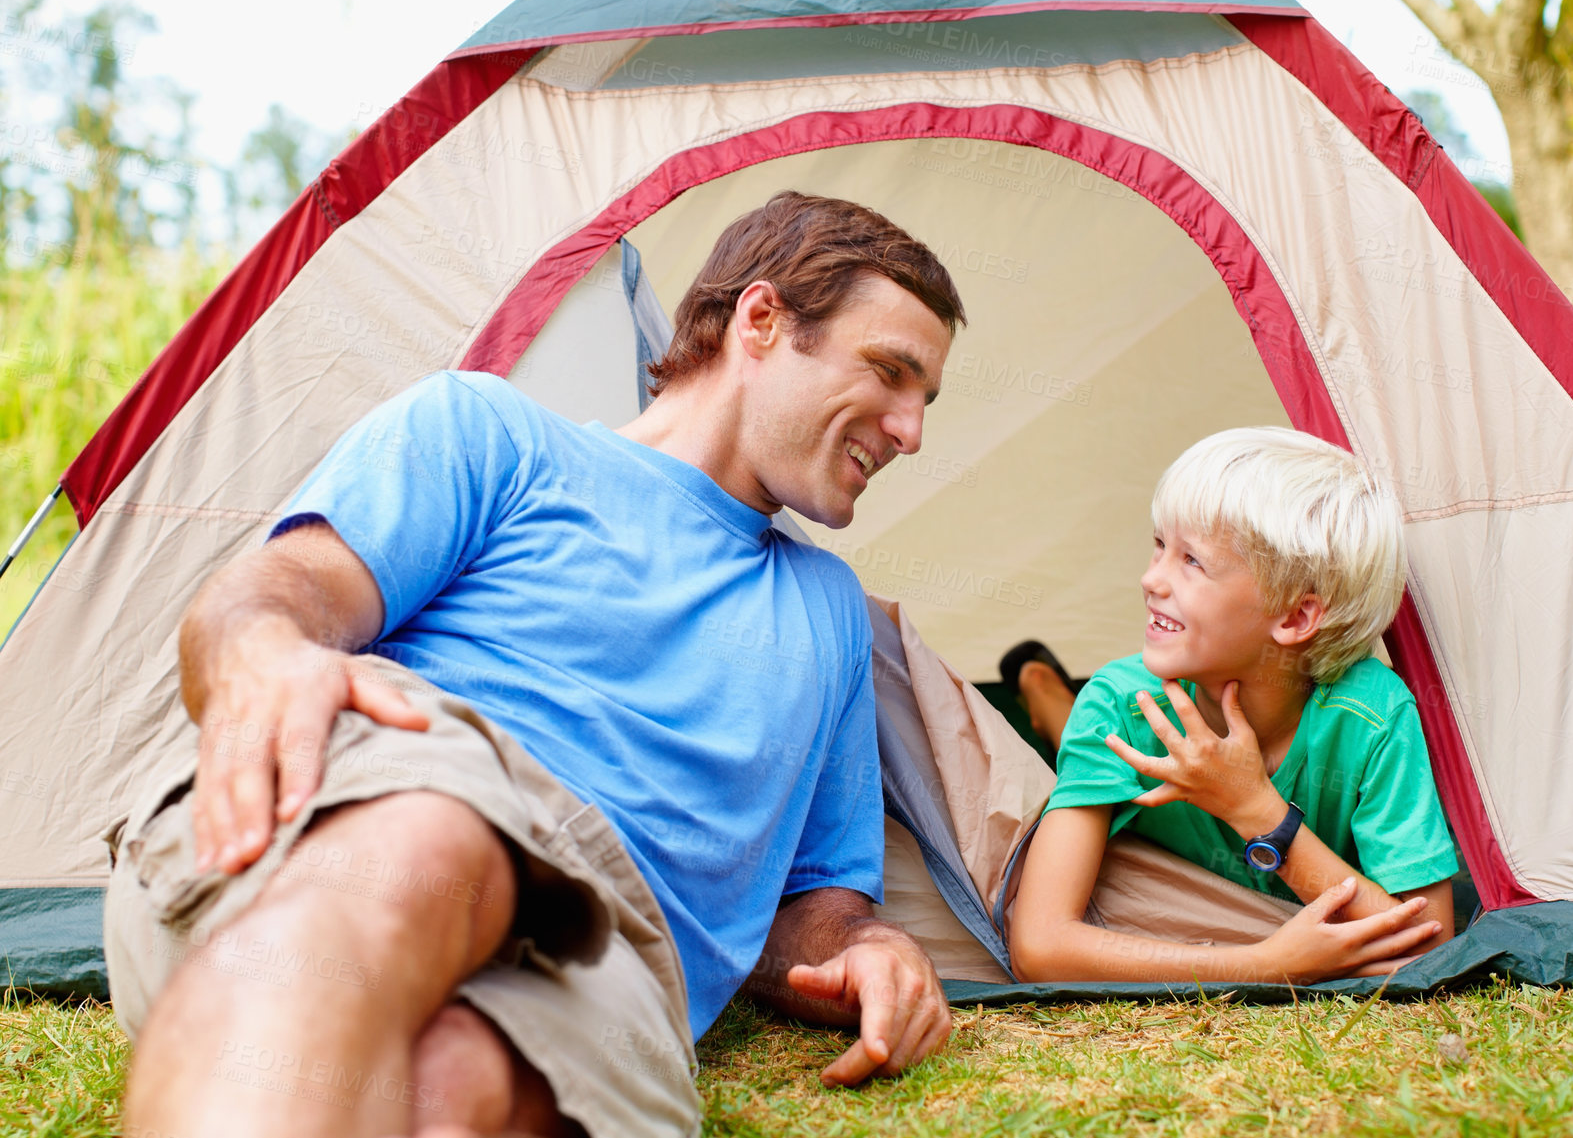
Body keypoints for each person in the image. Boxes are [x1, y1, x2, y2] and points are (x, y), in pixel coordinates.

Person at [107, 191, 965, 1138]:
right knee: (434, 844)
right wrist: (262, 655)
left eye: (924, 400)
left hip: (605, 955)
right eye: (889, 372)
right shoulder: (493, 436)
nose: (909, 430)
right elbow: (281, 590)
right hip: (380, 817)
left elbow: (811, 908)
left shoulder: (830, 613)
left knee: (465, 1085)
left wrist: (868, 945)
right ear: (760, 321)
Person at [1010, 427, 1458, 985]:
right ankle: (1040, 685)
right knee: (1076, 733)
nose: (1150, 579)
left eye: (1192, 561)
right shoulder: (1120, 704)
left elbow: (1428, 942)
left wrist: (1257, 810)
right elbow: (1038, 945)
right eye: (1159, 546)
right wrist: (1264, 966)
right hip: (1109, 733)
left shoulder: (1371, 716)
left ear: (1295, 617)